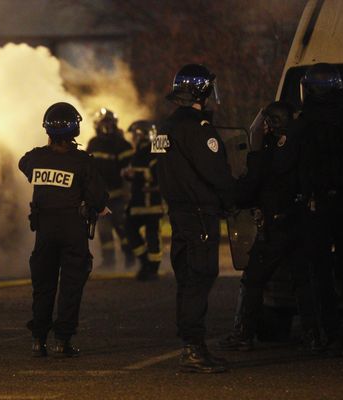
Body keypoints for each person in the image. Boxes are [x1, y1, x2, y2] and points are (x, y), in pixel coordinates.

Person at [218, 101, 323, 352]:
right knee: (303, 281)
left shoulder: (267, 152)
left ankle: (243, 334)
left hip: (274, 226)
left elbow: (251, 185)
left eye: (266, 120)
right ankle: (314, 336)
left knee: (253, 280)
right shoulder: (304, 145)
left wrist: (236, 194)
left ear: (273, 123)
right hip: (299, 222)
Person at [153, 64, 235, 373]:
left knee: (188, 278)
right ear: (201, 90)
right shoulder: (197, 127)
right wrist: (233, 199)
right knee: (200, 277)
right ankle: (193, 348)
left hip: (178, 212)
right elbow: (215, 172)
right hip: (200, 213)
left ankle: (191, 344)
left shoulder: (165, 127)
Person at [18, 102, 110, 358]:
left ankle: (38, 339)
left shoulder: (35, 158)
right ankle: (63, 340)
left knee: (43, 286)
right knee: (70, 287)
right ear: (75, 129)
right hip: (73, 231)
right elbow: (99, 196)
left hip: (44, 232)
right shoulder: (82, 161)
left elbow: (23, 164)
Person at [293, 63, 343, 357]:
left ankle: (328, 333)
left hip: (316, 205)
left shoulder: (303, 122)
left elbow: (297, 168)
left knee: (318, 272)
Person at [86, 108, 135, 269]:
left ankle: (130, 258)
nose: (106, 127)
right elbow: (88, 169)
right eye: (103, 123)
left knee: (123, 229)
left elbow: (130, 171)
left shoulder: (122, 144)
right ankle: (109, 261)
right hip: (100, 197)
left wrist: (129, 194)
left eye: (109, 123)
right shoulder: (93, 144)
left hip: (119, 196)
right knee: (104, 231)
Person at [123, 120, 165, 281]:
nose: (133, 137)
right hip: (138, 202)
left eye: (135, 134)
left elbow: (157, 174)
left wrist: (135, 175)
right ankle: (145, 262)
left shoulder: (155, 151)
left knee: (152, 235)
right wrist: (128, 174)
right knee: (130, 230)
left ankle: (152, 268)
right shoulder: (139, 152)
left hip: (152, 203)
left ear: (142, 134)